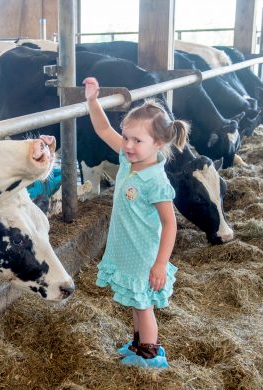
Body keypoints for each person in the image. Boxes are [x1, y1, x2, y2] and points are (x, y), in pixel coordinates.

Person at [83, 77, 189, 368]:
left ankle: (150, 355)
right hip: (127, 248)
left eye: (137, 140)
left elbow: (170, 225)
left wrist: (159, 264)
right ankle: (137, 344)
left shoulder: (156, 181)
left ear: (158, 143)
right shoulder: (128, 159)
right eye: (126, 137)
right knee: (135, 301)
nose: (128, 145)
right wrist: (92, 101)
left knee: (144, 307)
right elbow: (104, 128)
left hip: (144, 255)